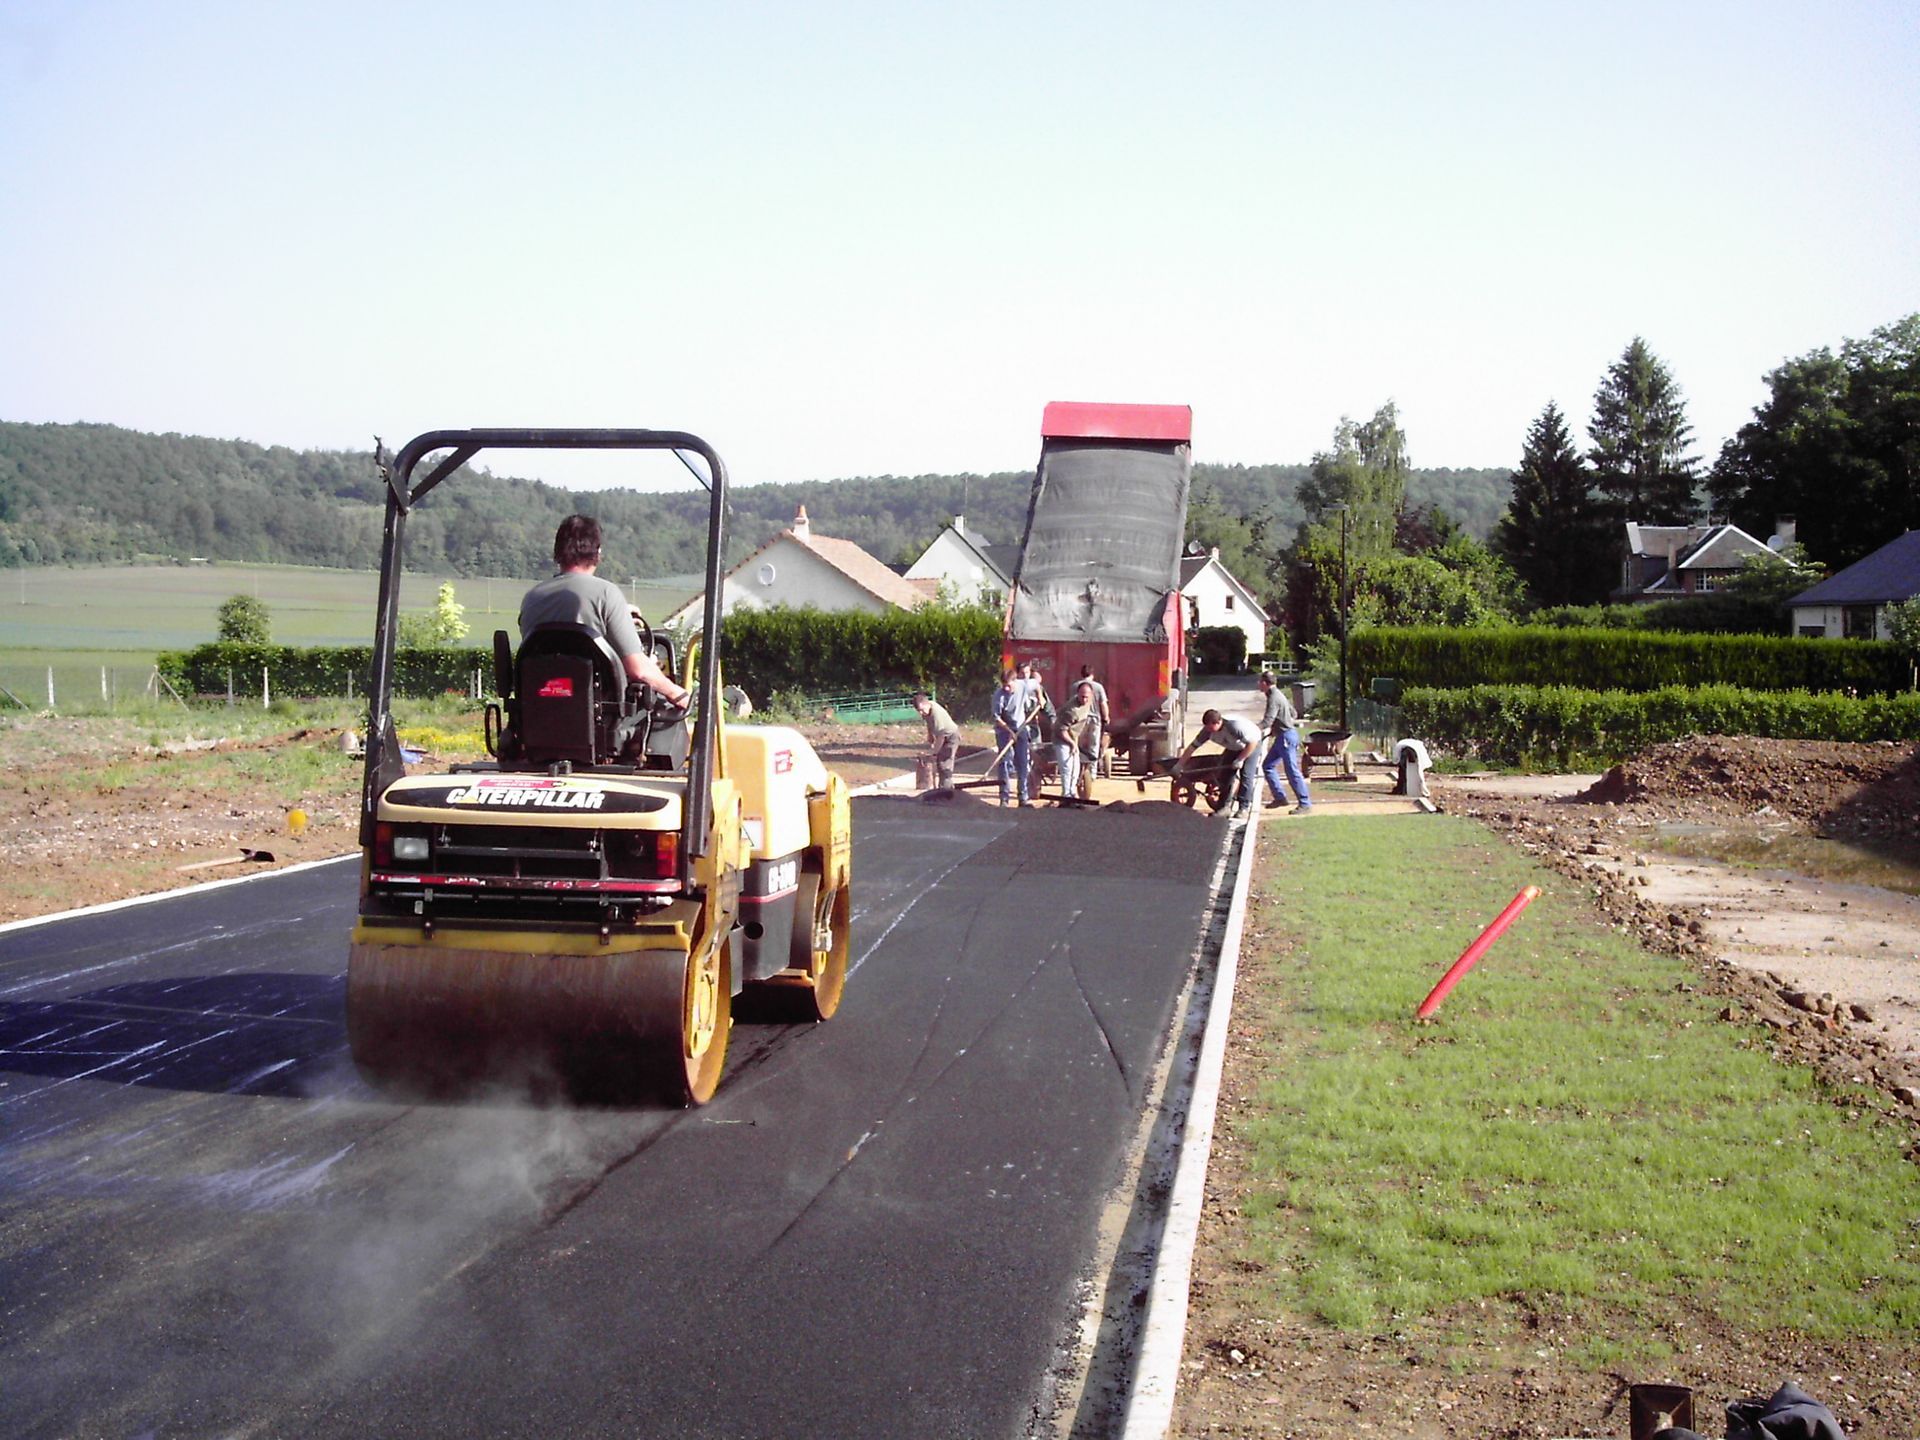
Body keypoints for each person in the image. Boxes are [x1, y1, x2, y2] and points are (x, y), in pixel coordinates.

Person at [520, 515, 690, 707]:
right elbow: (639, 670)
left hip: (539, 714)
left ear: (558, 552)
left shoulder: (532, 598)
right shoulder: (606, 594)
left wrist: (620, 615)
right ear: (597, 553)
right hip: (599, 718)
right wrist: (678, 693)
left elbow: (562, 631)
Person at [1177, 707, 1263, 818]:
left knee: (1246, 775)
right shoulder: (1207, 731)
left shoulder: (1233, 727)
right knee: (1225, 775)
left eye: (1211, 728)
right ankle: (1224, 808)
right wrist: (1179, 765)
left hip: (1252, 746)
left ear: (1218, 722)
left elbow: (1252, 743)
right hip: (1233, 747)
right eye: (1207, 728)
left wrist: (1240, 759)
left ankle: (1244, 808)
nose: (1209, 731)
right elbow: (1192, 748)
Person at [1258, 672, 1312, 813]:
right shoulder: (1278, 694)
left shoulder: (1274, 698)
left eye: (1260, 682)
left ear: (1265, 683)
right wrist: (1280, 724)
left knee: (1292, 771)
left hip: (1286, 737)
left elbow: (1268, 720)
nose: (1258, 684)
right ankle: (1280, 798)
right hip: (1284, 735)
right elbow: (1293, 713)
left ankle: (1305, 803)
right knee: (1268, 765)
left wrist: (1254, 729)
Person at [989, 670, 1032, 807]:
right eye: (1004, 685)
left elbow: (1037, 684)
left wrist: (1041, 697)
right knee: (1005, 763)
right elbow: (996, 718)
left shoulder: (1023, 685)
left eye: (1009, 685)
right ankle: (1004, 798)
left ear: (1015, 681)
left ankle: (1023, 797)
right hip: (1003, 730)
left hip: (1021, 727)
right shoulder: (998, 695)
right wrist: (1009, 731)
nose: (1006, 688)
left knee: (1022, 763)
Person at [1054, 682, 1098, 801]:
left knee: (1076, 767)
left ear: (1091, 695)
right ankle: (1066, 794)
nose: (1084, 699)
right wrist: (1072, 743)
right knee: (1067, 767)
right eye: (1082, 696)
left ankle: (1072, 793)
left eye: (1087, 697)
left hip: (1073, 736)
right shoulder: (1071, 710)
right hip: (1061, 738)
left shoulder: (1089, 703)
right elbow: (1061, 730)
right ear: (1077, 694)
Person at [913, 691, 960, 793]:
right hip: (942, 735)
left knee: (945, 764)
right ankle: (942, 789)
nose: (921, 713)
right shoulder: (926, 710)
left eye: (921, 710)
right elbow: (929, 723)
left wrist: (933, 752)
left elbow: (941, 737)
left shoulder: (936, 714)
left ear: (926, 704)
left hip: (951, 736)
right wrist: (930, 736)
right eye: (918, 711)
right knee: (940, 763)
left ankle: (947, 792)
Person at [1076, 664, 1110, 774]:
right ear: (1092, 674)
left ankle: (1079, 771)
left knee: (1079, 746)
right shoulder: (1098, 687)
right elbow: (1103, 704)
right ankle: (1092, 772)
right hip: (1095, 720)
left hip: (1080, 720)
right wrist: (1106, 717)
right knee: (1094, 746)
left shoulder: (1075, 686)